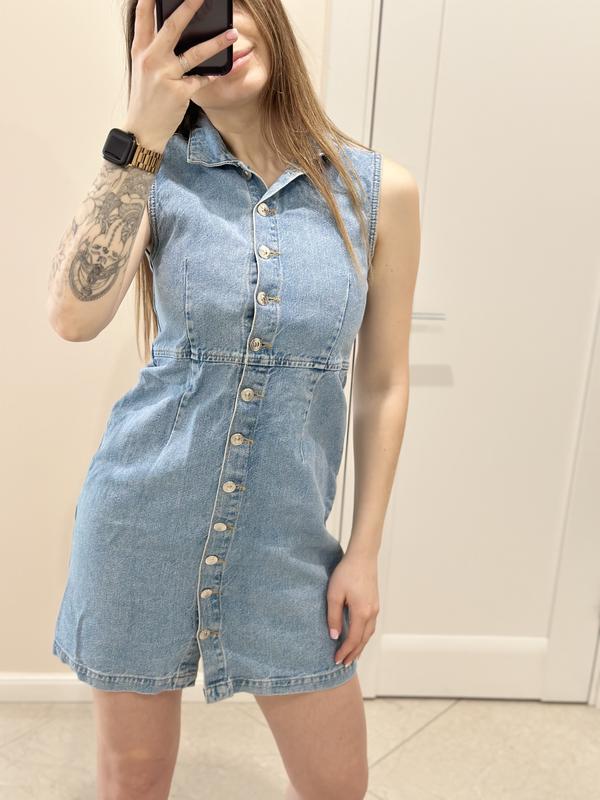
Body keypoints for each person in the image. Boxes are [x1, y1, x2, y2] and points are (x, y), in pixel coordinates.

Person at [47, 0, 421, 797]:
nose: (216, 34)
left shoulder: (379, 192)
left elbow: (385, 382)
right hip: (139, 526)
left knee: (337, 786)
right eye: (182, 25)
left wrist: (363, 552)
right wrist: (140, 129)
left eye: (221, 5)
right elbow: (73, 317)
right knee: (134, 781)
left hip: (288, 544)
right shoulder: (153, 175)